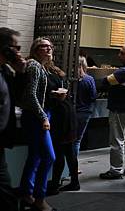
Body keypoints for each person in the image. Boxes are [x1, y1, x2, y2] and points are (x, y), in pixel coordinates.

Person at [19, 38, 56, 211]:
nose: (48, 49)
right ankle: (39, 199)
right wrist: (43, 117)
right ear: (36, 49)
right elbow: (30, 95)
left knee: (35, 156)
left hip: (36, 115)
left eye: (50, 46)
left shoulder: (40, 66)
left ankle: (27, 194)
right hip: (36, 117)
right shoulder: (34, 65)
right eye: (44, 46)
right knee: (49, 156)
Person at [99, 43, 125, 180]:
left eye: (121, 53)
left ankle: (116, 170)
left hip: (120, 110)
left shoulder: (124, 71)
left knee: (117, 140)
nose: (119, 55)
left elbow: (104, 82)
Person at [0, 28, 26, 211]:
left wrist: (21, 73)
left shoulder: (6, 71)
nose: (18, 52)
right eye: (15, 47)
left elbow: (17, 97)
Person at [46, 62, 78, 194]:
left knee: (59, 151)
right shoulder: (59, 74)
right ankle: (74, 182)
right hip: (69, 113)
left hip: (60, 116)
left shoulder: (48, 76)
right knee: (70, 152)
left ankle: (54, 184)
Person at [73, 56, 96, 156]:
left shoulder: (70, 78)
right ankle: (74, 166)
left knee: (68, 139)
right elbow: (93, 96)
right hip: (85, 112)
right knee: (77, 140)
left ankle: (67, 166)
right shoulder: (89, 79)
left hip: (72, 112)